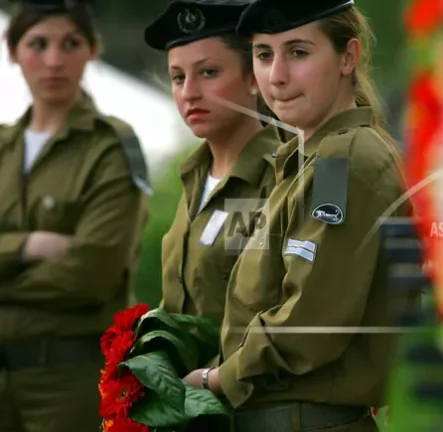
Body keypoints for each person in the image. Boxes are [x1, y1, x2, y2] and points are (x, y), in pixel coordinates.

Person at [183, 0, 411, 430]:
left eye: (298, 52)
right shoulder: (309, 159)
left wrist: (217, 379)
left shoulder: (340, 163)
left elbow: (311, 324)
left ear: (348, 57)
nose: (277, 75)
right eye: (263, 54)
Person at [0, 0, 151, 430]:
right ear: (12, 51)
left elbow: (92, 272)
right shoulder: (3, 147)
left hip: (69, 382)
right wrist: (27, 246)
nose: (54, 60)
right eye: (38, 44)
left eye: (70, 44)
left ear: (93, 50)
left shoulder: (111, 147)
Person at [145, 0, 284, 334]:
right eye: (178, 77)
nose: (189, 93)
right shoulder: (195, 176)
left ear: (254, 77)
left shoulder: (282, 175)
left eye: (208, 73)